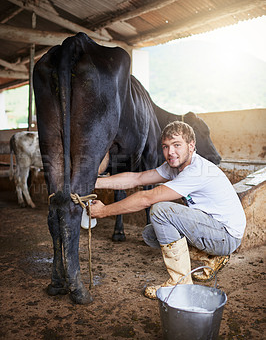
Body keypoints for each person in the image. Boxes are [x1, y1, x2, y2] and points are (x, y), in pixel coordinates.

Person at [88, 121, 246, 299]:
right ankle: (211, 258)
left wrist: (103, 211)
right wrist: (93, 182)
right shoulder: (175, 166)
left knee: (161, 211)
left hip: (226, 236)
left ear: (191, 146)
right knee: (152, 233)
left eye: (177, 145)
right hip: (214, 228)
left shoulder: (196, 170)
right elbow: (137, 178)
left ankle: (180, 283)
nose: (170, 152)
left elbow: (147, 198)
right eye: (166, 146)